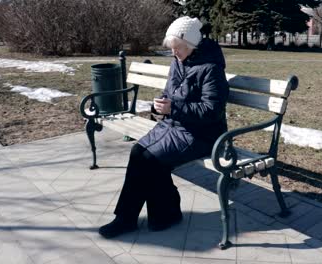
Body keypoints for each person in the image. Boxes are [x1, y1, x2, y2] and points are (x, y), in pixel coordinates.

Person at [98, 16, 229, 238]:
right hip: (174, 125)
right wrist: (160, 104)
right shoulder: (179, 61)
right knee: (138, 152)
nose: (174, 53)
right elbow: (170, 94)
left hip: (202, 134)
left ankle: (151, 215)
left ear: (192, 45)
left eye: (177, 48)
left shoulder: (211, 69)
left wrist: (174, 108)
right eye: (172, 49)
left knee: (152, 160)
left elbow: (211, 111)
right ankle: (137, 217)